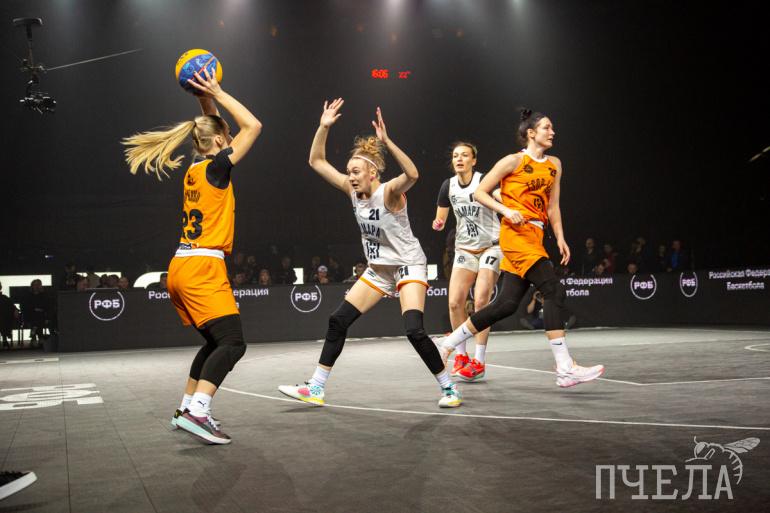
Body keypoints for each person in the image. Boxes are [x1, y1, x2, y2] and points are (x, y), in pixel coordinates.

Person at [279, 98, 461, 408]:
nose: (350, 177)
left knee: (414, 330)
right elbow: (316, 161)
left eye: (355, 172)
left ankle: (449, 389)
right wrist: (323, 127)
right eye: (348, 172)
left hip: (407, 265)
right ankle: (316, 387)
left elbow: (413, 174)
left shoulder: (389, 192)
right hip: (378, 269)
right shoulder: (352, 192)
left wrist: (387, 142)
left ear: (372, 173)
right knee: (337, 321)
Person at [122, 67, 262, 444]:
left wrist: (205, 100)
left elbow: (216, 128)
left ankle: (186, 408)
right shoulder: (218, 167)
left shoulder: (196, 170)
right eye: (226, 136)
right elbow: (253, 126)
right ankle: (198, 412)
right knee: (233, 343)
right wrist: (218, 90)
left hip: (181, 265)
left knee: (216, 342)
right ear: (217, 141)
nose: (231, 138)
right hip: (202, 267)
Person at [436, 108, 604, 388]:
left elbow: (553, 206)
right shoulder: (512, 161)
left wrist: (560, 237)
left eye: (552, 128)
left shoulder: (554, 165)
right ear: (531, 133)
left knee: (506, 305)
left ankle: (448, 343)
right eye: (547, 128)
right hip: (515, 236)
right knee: (553, 290)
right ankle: (565, 367)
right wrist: (505, 210)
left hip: (535, 236)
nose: (552, 132)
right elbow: (479, 192)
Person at [432, 141, 502, 382]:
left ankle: (479, 361)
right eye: (455, 156)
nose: (459, 159)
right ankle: (461, 356)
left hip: (492, 246)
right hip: (464, 248)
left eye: (464, 155)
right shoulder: (448, 186)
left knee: (481, 301)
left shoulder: (485, 181)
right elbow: (441, 218)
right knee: (454, 303)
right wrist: (438, 224)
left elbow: (501, 199)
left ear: (474, 160)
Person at [0, 282, 19, 350]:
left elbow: (12, 306)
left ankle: (5, 339)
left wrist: (16, 310)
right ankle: (5, 338)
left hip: (3, 317)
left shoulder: (4, 298)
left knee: (3, 316)